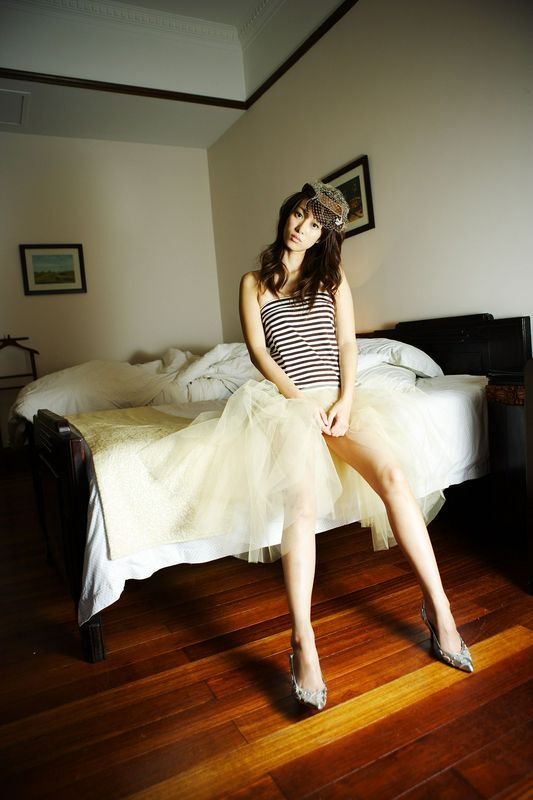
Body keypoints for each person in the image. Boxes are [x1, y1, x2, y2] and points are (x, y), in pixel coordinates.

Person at [142, 180, 473, 713]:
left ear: (325, 235)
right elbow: (257, 351)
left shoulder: (333, 279)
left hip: (339, 398)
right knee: (300, 500)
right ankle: (302, 639)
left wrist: (345, 400)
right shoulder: (254, 282)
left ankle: (440, 609)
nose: (302, 227)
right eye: (299, 215)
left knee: (393, 476)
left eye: (315, 224)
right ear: (286, 214)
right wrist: (297, 401)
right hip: (286, 401)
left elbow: (347, 344)